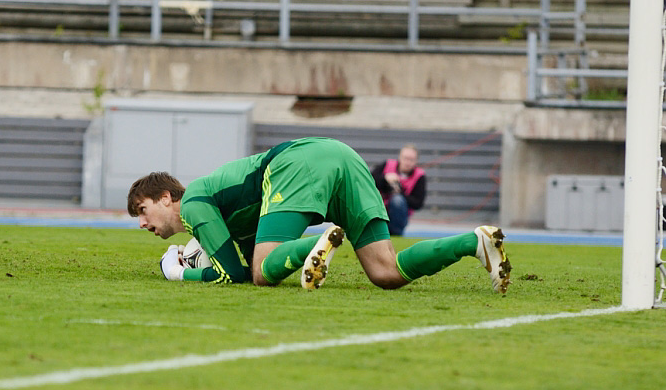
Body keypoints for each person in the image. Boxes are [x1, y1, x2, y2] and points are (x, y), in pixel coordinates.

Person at [126, 136, 511, 294]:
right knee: (385, 273)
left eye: (142, 211)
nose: (143, 224)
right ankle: (473, 241)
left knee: (265, 273)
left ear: (165, 198)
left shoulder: (194, 202)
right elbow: (238, 267)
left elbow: (237, 275)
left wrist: (179, 271)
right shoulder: (215, 211)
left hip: (299, 161)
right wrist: (205, 252)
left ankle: (318, 242)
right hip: (346, 158)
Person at [371, 144, 425, 236]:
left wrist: (399, 193)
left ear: (416, 161)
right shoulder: (387, 165)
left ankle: (395, 233)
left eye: (411, 160)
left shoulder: (419, 176)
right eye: (405, 158)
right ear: (400, 157)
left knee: (397, 200)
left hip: (399, 216)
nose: (407, 162)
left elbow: (418, 203)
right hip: (379, 209)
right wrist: (385, 178)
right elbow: (369, 180)